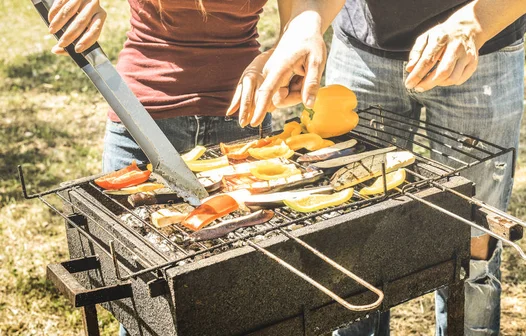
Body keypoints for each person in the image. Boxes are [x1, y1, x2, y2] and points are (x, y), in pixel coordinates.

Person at [47, 0, 343, 335]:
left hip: (242, 116)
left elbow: (298, 18)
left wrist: (301, 30)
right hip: (141, 122)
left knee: (248, 299)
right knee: (146, 309)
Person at [271, 0, 526, 335]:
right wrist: (307, 22)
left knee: (473, 243)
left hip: (483, 50)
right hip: (362, 53)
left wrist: (477, 23)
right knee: (354, 240)